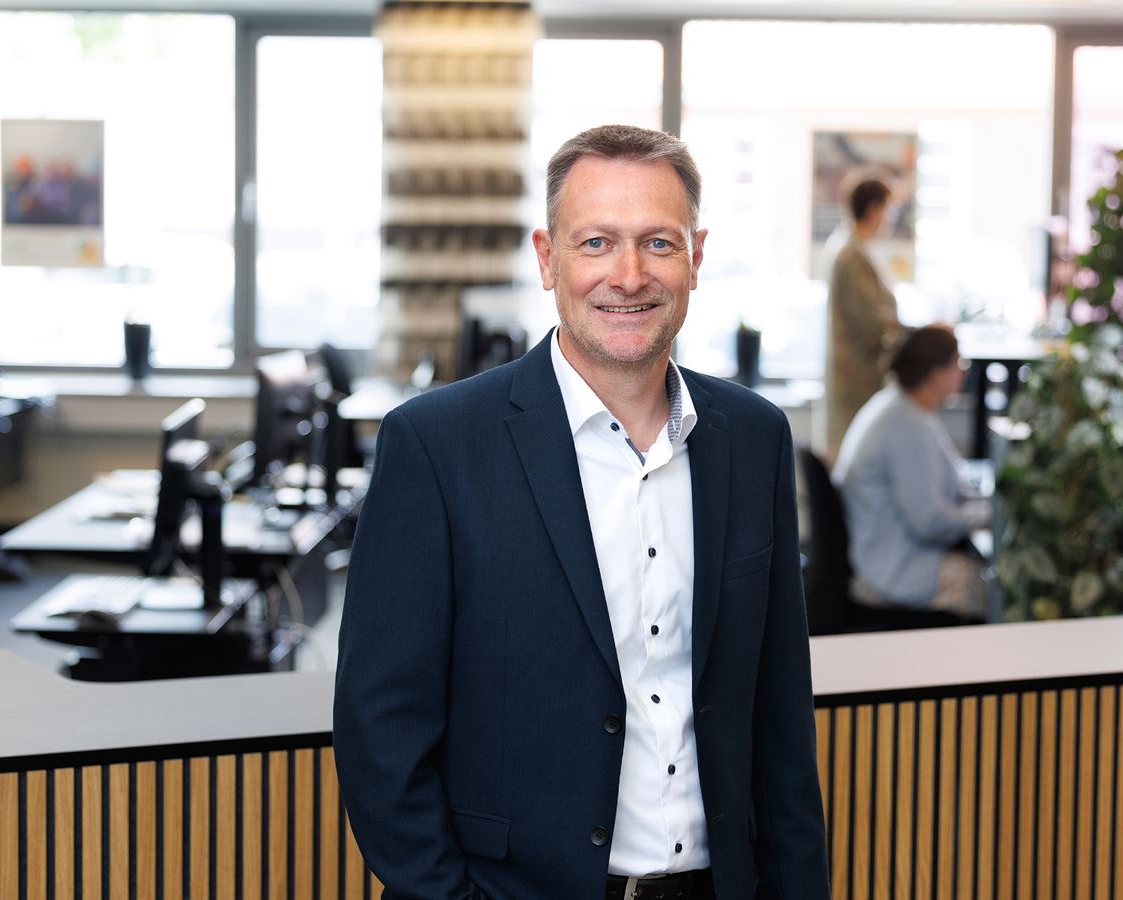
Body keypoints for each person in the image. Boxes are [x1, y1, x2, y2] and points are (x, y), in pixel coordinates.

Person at [334, 125, 830, 899]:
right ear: (547, 258)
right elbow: (380, 731)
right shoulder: (436, 446)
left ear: (696, 257)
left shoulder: (755, 438)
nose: (629, 276)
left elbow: (781, 721)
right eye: (596, 242)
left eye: (658, 243)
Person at [832, 324, 990, 618]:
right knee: (995, 589)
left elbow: (949, 484)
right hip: (893, 571)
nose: (963, 372)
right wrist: (987, 514)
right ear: (935, 373)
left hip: (883, 556)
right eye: (957, 363)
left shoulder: (902, 406)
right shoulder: (906, 424)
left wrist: (978, 505)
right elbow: (930, 522)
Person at [821, 175, 902, 454]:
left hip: (862, 374)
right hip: (857, 376)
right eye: (889, 209)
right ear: (873, 209)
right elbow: (872, 322)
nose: (891, 218)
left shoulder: (857, 248)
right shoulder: (850, 253)